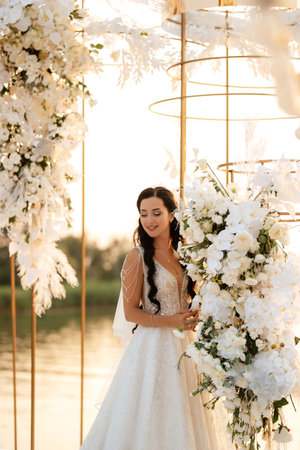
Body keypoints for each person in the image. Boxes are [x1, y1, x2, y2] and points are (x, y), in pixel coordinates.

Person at [80, 186, 232, 450]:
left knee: (187, 414)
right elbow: (130, 312)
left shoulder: (183, 255)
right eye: (144, 214)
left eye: (156, 213)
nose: (149, 220)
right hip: (151, 350)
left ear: (171, 215)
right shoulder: (136, 256)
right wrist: (170, 321)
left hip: (186, 347)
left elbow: (183, 299)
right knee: (148, 416)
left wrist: (191, 313)